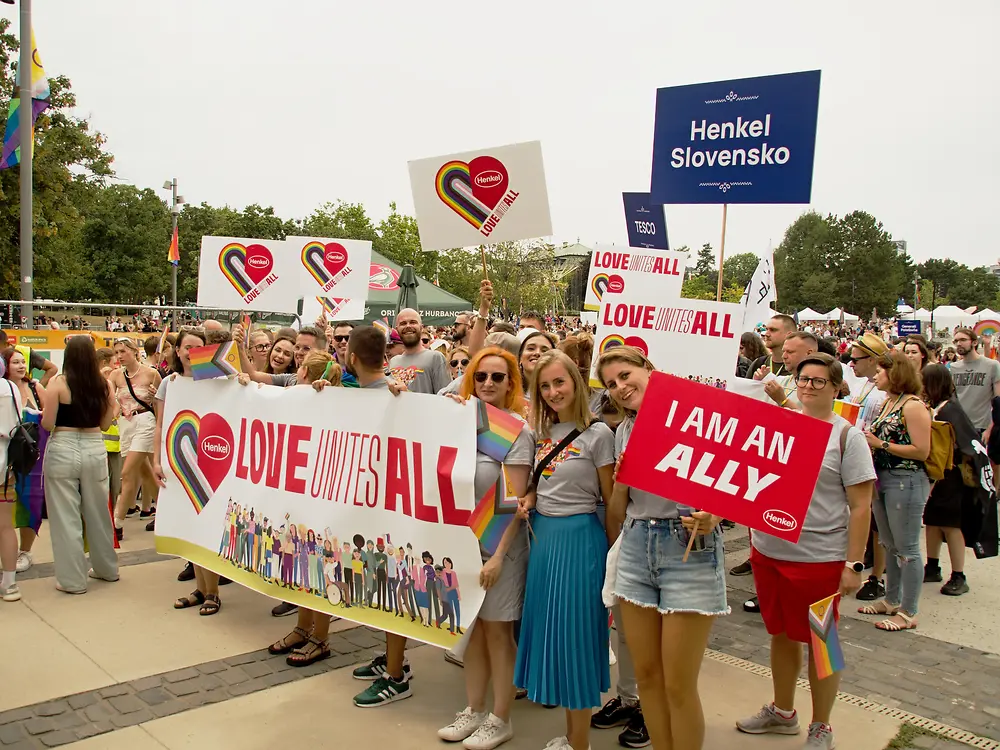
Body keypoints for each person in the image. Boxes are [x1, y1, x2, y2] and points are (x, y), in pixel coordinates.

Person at [737, 353, 875, 750]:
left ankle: (822, 725)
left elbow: (861, 505)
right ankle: (783, 712)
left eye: (819, 380)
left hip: (820, 558)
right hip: (769, 550)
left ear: (836, 387)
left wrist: (853, 563)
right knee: (781, 635)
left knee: (822, 642)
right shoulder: (779, 426)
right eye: (803, 378)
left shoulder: (846, 437)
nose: (809, 385)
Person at [598, 346, 726, 750]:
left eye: (624, 375)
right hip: (636, 544)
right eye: (611, 384)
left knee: (678, 682)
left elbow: (731, 483)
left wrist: (715, 516)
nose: (619, 387)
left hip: (688, 547)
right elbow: (619, 509)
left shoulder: (700, 416)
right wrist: (621, 480)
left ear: (648, 369)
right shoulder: (624, 431)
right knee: (648, 675)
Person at [515, 350, 615, 750]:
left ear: (575, 381)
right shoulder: (539, 434)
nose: (554, 391)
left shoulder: (599, 435)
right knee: (551, 633)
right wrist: (530, 498)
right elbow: (542, 485)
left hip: (581, 543)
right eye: (545, 386)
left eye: (560, 382)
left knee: (578, 637)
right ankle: (573, 735)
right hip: (543, 542)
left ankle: (579, 742)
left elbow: (611, 501)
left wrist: (612, 557)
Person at [437, 347, 532, 750]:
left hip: (498, 548)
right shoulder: (453, 419)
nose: (488, 383)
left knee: (496, 634)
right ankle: (473, 709)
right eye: (481, 376)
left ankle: (500, 718)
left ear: (511, 383)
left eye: (497, 377)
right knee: (471, 632)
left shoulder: (517, 431)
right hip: (460, 546)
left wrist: (496, 557)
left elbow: (515, 500)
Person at [347, 327, 414, 708]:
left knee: (390, 587)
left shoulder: (394, 396)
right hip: (371, 507)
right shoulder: (357, 396)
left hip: (387, 512)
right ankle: (392, 659)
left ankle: (396, 674)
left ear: (353, 358)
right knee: (378, 585)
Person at [266, 350, 341, 667]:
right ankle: (302, 627)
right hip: (299, 495)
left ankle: (320, 637)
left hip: (322, 499)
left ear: (306, 374)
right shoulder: (298, 397)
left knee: (322, 567)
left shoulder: (335, 402)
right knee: (301, 565)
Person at [152, 327, 224, 616]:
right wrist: (156, 461)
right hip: (178, 462)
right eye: (187, 347)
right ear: (177, 350)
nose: (192, 352)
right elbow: (161, 425)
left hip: (209, 463)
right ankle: (201, 589)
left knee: (206, 527)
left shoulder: (217, 381)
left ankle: (213, 593)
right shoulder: (169, 384)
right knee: (188, 527)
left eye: (198, 347)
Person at [859, 351, 931, 632]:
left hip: (906, 479)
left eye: (881, 371)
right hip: (883, 479)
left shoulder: (913, 406)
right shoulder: (889, 402)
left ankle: (908, 610)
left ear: (895, 373)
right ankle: (891, 598)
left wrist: (881, 445)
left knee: (908, 548)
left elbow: (921, 450)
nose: (876, 376)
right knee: (889, 543)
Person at [40, 336, 119, 594]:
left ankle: (72, 580)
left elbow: (48, 423)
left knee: (66, 515)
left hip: (63, 445)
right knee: (98, 512)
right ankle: (107, 569)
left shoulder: (59, 383)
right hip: (95, 445)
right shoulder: (105, 385)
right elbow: (107, 423)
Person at [921, 364, 978, 596]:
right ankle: (932, 565)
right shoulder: (939, 408)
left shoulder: (949, 410)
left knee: (951, 525)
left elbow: (966, 444)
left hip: (951, 475)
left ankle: (959, 575)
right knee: (933, 521)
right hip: (939, 474)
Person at [109, 338, 161, 540]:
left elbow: (158, 404)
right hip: (125, 424)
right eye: (117, 352)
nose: (120, 355)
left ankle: (117, 523)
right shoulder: (115, 375)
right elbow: (113, 402)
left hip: (145, 421)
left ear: (133, 351)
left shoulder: (151, 373)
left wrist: (156, 395)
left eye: (123, 351)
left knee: (127, 472)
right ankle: (166, 512)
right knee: (145, 472)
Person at [2, 348, 47, 573]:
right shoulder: (3, 390)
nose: (21, 366)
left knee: (30, 501)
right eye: (15, 362)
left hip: (31, 457)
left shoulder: (35, 388)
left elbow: (49, 418)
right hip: (6, 455)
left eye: (22, 362)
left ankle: (25, 550)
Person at [951, 328, 1000, 441]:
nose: (959, 344)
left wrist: (990, 428)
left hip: (983, 427)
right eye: (956, 341)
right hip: (960, 426)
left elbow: (998, 402)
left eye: (963, 340)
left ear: (974, 342)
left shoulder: (992, 365)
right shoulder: (954, 368)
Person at [388, 309, 451, 393]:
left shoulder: (435, 357)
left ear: (421, 327)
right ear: (397, 329)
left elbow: (444, 398)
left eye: (413, 322)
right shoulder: (393, 361)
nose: (408, 326)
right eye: (403, 323)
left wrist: (407, 394)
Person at [517, 330, 554, 397]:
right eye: (531, 348)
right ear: (520, 358)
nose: (537, 353)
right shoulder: (506, 389)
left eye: (544, 351)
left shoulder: (557, 393)